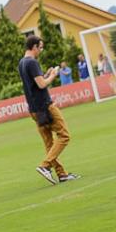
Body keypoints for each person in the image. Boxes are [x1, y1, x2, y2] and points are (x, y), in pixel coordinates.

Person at [18, 35, 80, 185]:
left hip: (33, 109)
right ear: (34, 47)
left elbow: (35, 83)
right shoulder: (32, 62)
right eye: (40, 47)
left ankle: (62, 174)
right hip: (45, 106)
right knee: (64, 136)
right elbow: (41, 85)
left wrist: (45, 75)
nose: (41, 50)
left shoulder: (22, 62)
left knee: (49, 143)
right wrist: (52, 75)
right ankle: (45, 166)